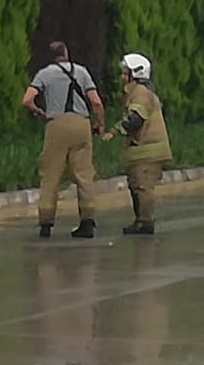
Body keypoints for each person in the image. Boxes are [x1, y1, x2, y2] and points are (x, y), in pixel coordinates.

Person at [22, 40, 104, 239]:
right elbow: (96, 102)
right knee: (84, 175)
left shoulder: (44, 74)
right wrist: (99, 125)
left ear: (51, 56)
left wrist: (37, 110)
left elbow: (27, 100)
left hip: (56, 124)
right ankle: (87, 222)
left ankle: (46, 223)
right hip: (81, 124)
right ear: (66, 53)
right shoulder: (82, 72)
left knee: (50, 175)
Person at [101, 51, 173, 236]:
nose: (122, 77)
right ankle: (140, 220)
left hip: (148, 151)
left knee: (143, 187)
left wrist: (115, 131)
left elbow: (136, 119)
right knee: (136, 185)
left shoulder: (140, 93)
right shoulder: (136, 92)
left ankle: (146, 222)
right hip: (141, 150)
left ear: (136, 73)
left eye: (125, 73)